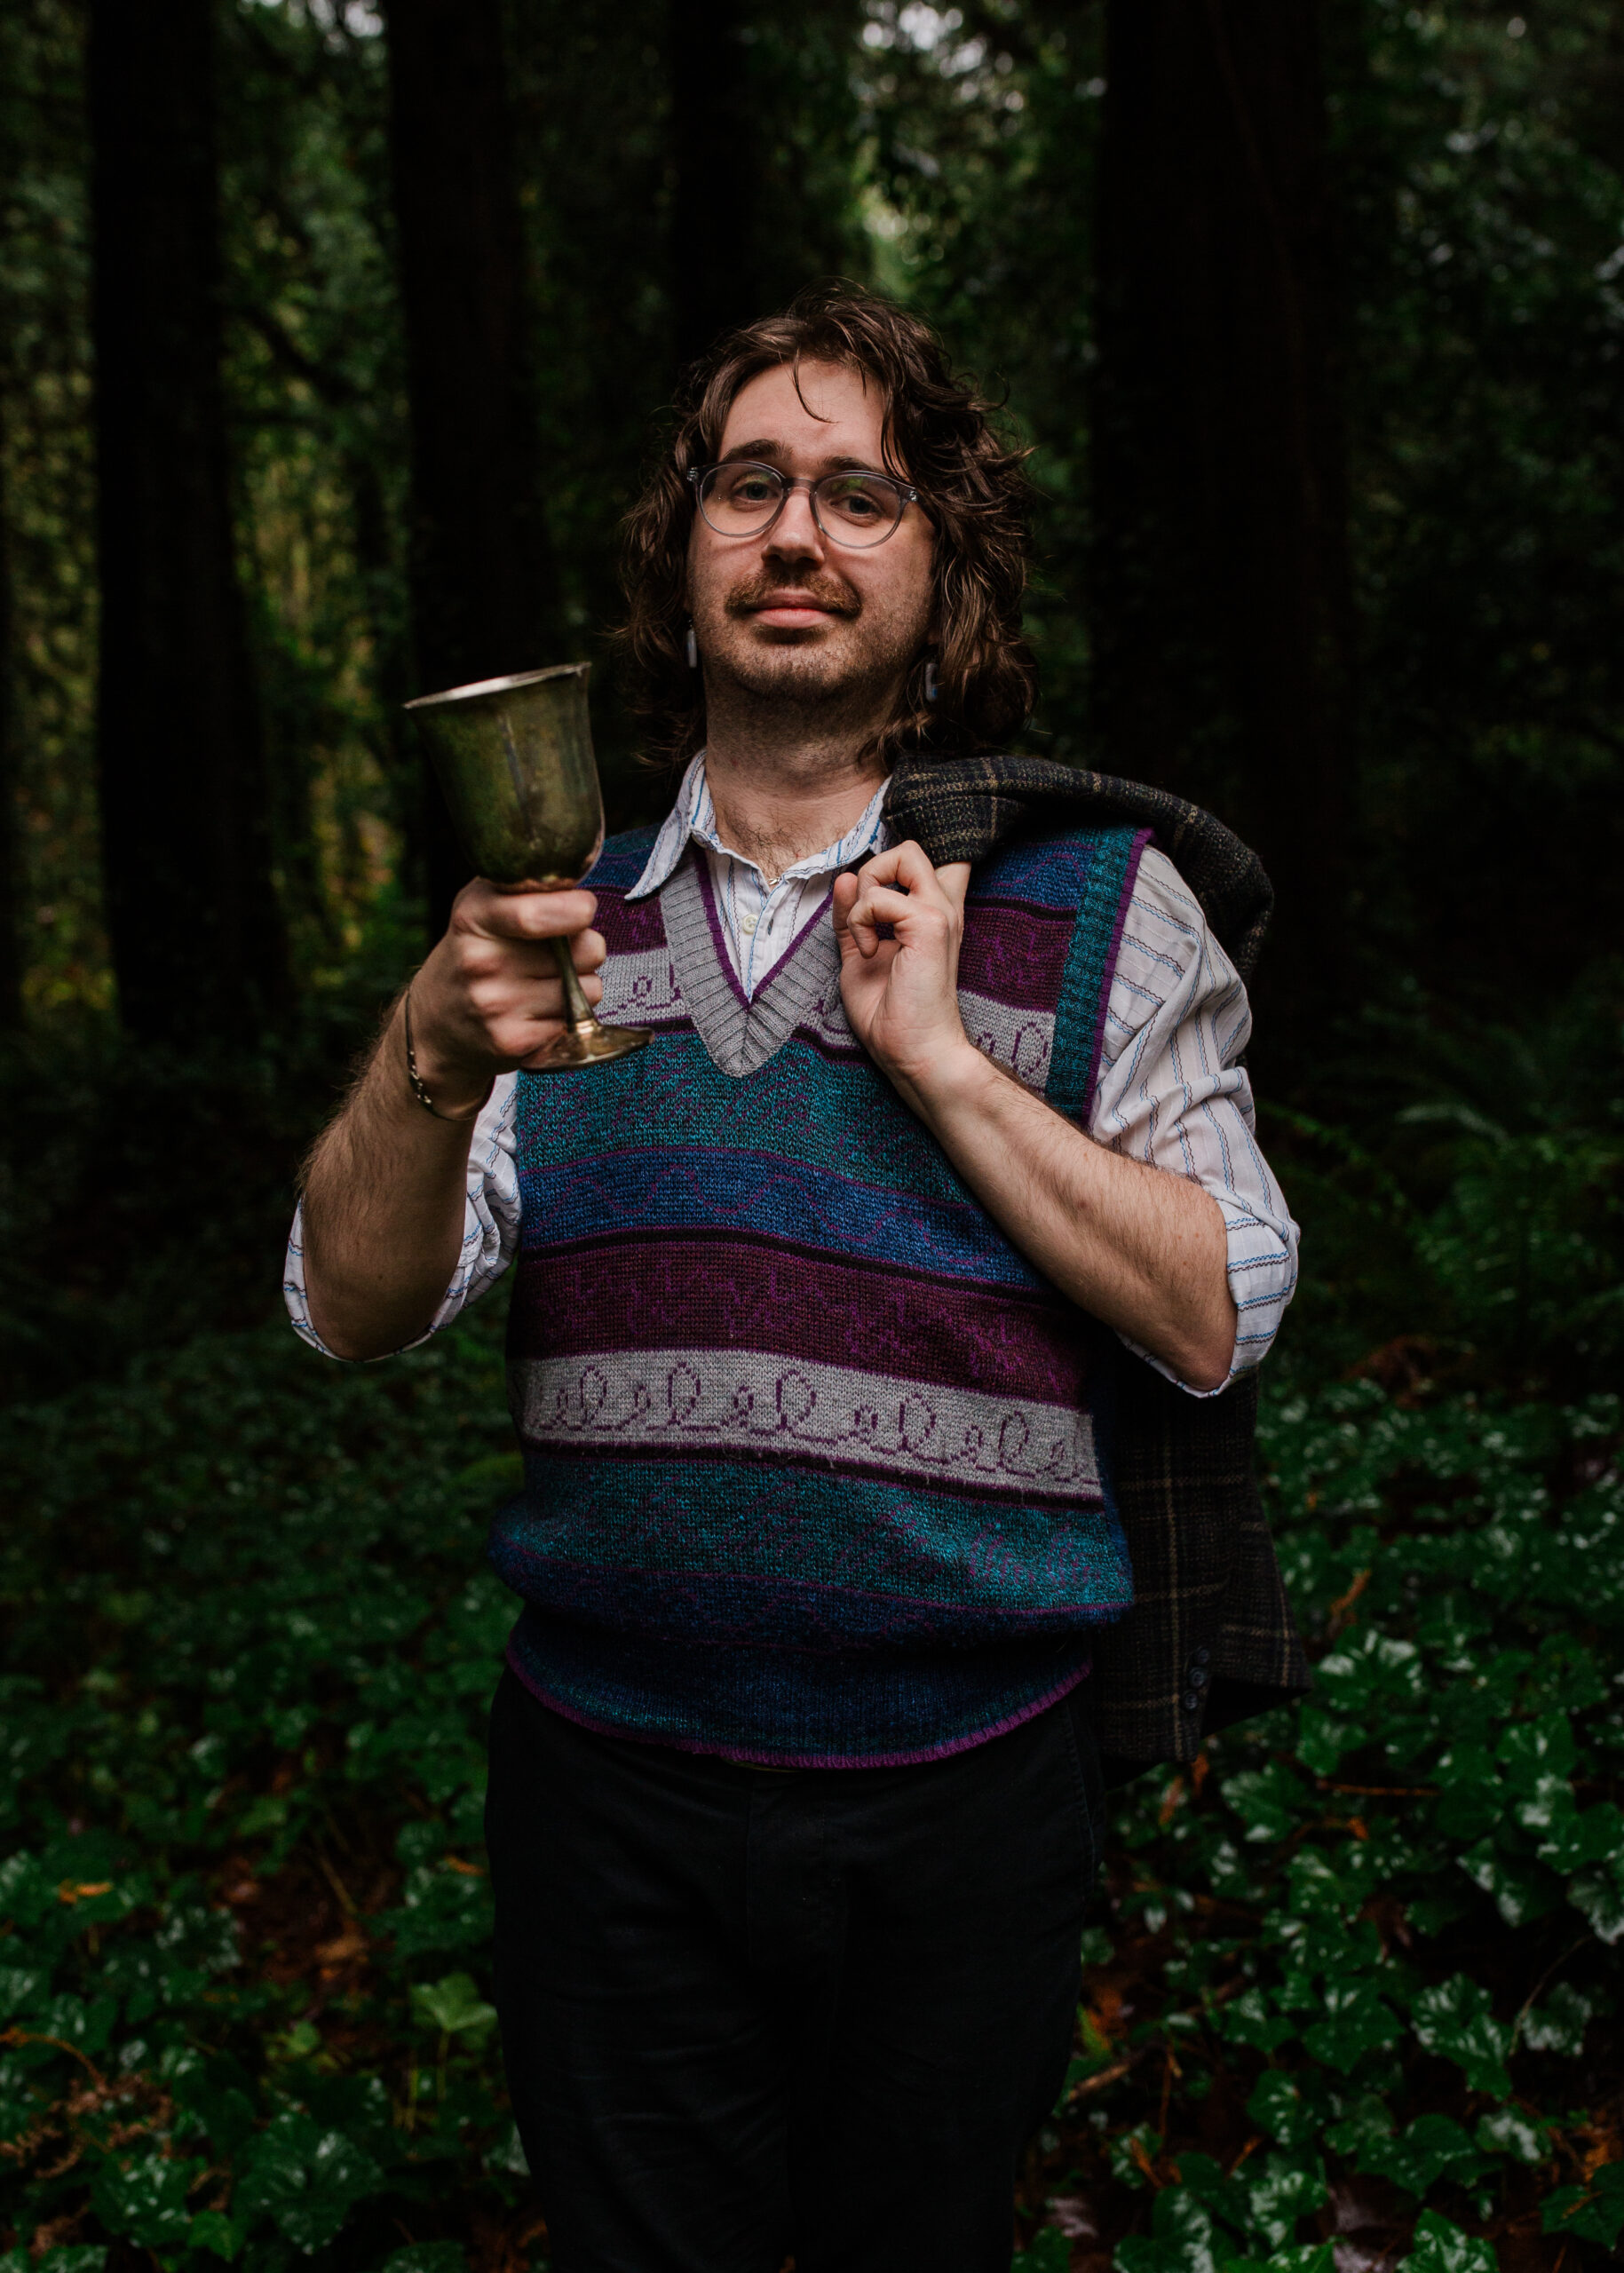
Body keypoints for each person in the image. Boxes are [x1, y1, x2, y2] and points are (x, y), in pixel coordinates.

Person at [286, 285, 1299, 2273]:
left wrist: (941, 1061)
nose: (796, 534)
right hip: (607, 1790)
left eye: (860, 494)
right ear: (683, 556)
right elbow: (352, 1306)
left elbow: (1214, 1310)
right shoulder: (554, 920)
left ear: (943, 577)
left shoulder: (1102, 903)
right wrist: (429, 1044)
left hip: (967, 1801)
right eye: (748, 485)